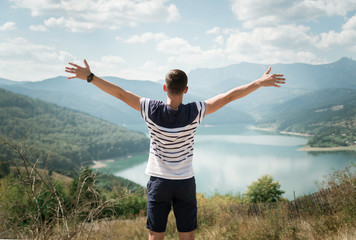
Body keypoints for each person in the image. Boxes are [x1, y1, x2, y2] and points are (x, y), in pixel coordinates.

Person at [65, 60, 286, 240]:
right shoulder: (195, 111)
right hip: (185, 183)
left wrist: (90, 77)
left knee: (155, 236)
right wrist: (258, 83)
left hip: (159, 182)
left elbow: (120, 94)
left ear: (164, 88)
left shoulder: (150, 110)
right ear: (186, 89)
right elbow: (229, 97)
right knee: (187, 236)